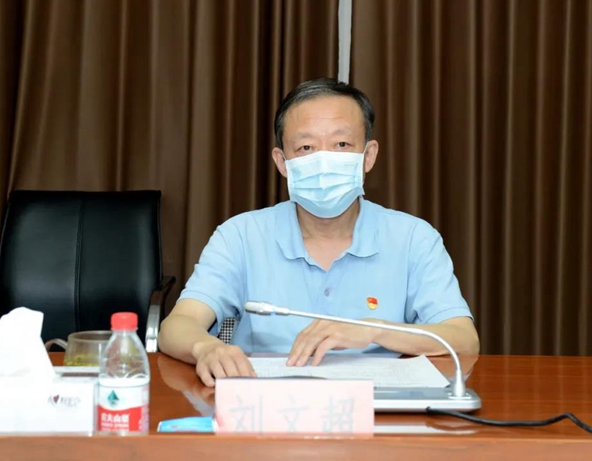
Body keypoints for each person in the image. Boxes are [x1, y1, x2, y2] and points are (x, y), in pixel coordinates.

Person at [158, 78, 479, 387]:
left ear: (368, 156)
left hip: (379, 409)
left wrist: (374, 330)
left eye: (341, 144)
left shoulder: (413, 238)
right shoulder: (240, 235)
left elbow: (464, 339)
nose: (324, 161)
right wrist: (207, 348)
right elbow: (177, 325)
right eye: (306, 147)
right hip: (267, 406)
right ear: (282, 162)